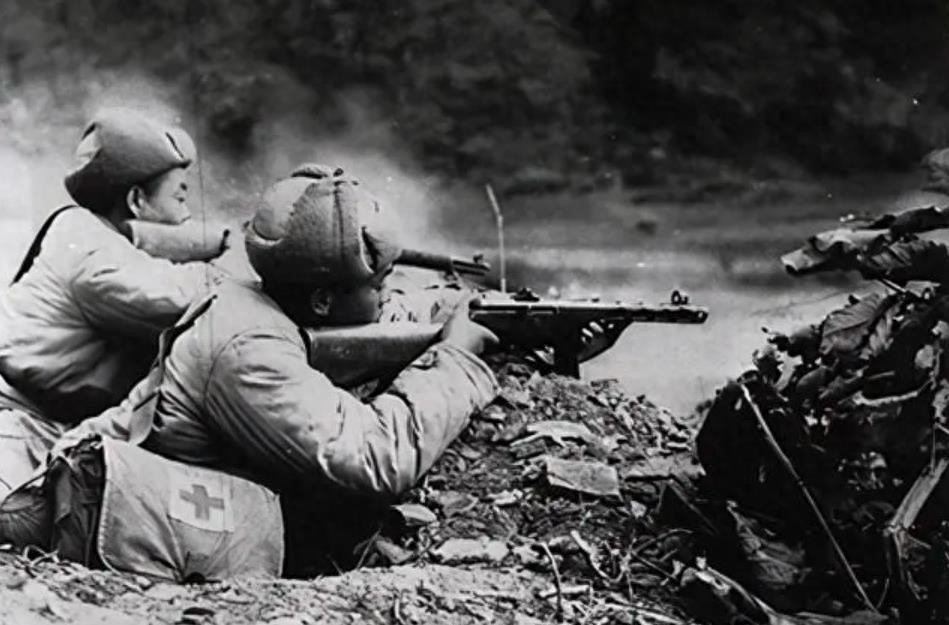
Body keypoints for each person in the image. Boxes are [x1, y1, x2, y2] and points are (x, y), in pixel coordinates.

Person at [52, 167, 500, 572]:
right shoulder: (250, 351)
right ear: (322, 301)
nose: (387, 296)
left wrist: (459, 308)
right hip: (95, 513)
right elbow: (376, 457)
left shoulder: (265, 300)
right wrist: (455, 360)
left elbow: (384, 311)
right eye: (379, 285)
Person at [0, 107, 227, 497]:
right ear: (136, 200)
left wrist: (214, 241)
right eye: (179, 196)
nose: (188, 213)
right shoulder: (96, 259)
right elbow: (190, 296)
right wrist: (242, 255)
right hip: (23, 436)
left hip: (52, 427)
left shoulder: (83, 229)